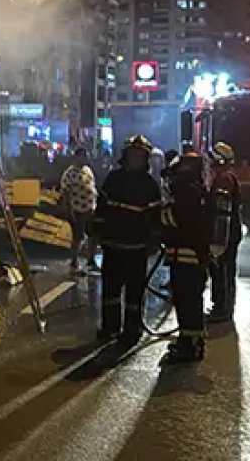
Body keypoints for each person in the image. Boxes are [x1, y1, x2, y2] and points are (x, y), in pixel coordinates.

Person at [91, 135, 162, 343]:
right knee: (110, 292)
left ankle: (132, 330)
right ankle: (109, 328)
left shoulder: (150, 185)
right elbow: (102, 209)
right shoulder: (113, 179)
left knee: (135, 294)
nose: (136, 159)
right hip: (113, 246)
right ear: (126, 156)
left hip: (137, 248)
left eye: (140, 156)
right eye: (133, 155)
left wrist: (154, 241)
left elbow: (155, 217)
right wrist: (96, 231)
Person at [157, 152, 211, 363]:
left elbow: (176, 220)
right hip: (193, 256)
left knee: (187, 302)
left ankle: (189, 346)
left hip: (186, 257)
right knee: (191, 302)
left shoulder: (185, 192)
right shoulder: (198, 191)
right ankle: (191, 341)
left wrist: (158, 215)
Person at [207, 142, 244, 323]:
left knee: (223, 270)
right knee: (221, 270)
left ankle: (223, 308)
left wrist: (216, 242)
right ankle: (220, 305)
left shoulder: (224, 179)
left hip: (225, 234)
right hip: (228, 232)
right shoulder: (225, 176)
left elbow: (221, 211)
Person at [61, 148, 99, 275]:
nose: (85, 159)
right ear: (77, 157)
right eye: (83, 157)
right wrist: (69, 211)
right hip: (78, 209)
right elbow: (66, 193)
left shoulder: (87, 170)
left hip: (90, 207)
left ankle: (91, 260)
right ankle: (74, 261)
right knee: (78, 236)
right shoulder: (69, 173)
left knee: (93, 235)